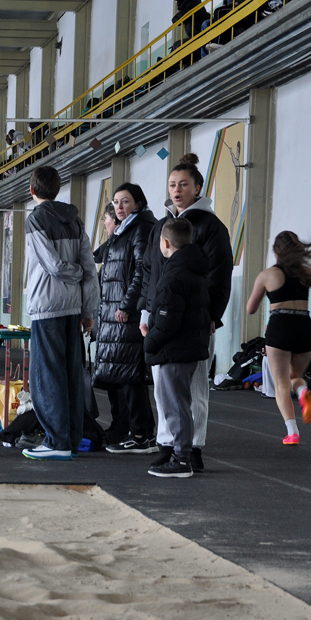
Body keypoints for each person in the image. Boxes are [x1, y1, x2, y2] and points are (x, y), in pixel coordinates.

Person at [139, 153, 232, 472]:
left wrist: (212, 316)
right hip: (161, 317)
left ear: (198, 188)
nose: (176, 190)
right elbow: (149, 271)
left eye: (183, 184)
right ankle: (168, 444)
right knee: (164, 388)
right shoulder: (161, 227)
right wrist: (145, 312)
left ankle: (192, 449)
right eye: (172, 185)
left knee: (194, 388)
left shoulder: (211, 227)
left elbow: (220, 276)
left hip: (195, 322)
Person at [21, 166, 99, 461]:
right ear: (58, 188)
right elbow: (90, 269)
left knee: (46, 376)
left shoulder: (35, 219)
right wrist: (88, 310)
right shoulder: (76, 221)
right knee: (71, 377)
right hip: (74, 308)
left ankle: (57, 441)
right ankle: (71, 440)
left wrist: (74, 273)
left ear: (32, 190)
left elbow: (53, 265)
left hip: (47, 307)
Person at [245, 230, 311, 445]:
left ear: (276, 252)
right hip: (304, 326)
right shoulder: (306, 272)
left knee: (281, 384)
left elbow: (251, 309)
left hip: (279, 327)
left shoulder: (267, 275)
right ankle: (303, 390)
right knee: (295, 376)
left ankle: (292, 433)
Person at [144, 218, 210, 478]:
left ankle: (182, 459)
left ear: (165, 242)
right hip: (188, 346)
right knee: (180, 403)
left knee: (175, 406)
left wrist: (150, 342)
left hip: (174, 350)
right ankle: (181, 455)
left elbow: (167, 320)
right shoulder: (195, 271)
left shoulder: (173, 276)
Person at [93, 184, 158, 453]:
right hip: (115, 315)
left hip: (125, 316)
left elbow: (142, 271)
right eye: (116, 202)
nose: (119, 207)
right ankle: (140, 432)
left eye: (125, 202)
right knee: (125, 376)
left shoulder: (140, 229)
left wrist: (126, 305)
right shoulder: (124, 231)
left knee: (131, 377)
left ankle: (141, 435)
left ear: (138, 203)